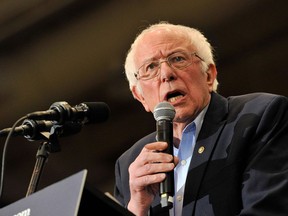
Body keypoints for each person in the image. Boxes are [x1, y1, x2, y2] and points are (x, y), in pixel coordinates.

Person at [113, 21, 288, 216]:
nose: (166, 74)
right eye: (151, 67)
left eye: (178, 58)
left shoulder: (259, 115)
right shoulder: (130, 163)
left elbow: (266, 210)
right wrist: (137, 208)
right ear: (140, 96)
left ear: (209, 75)